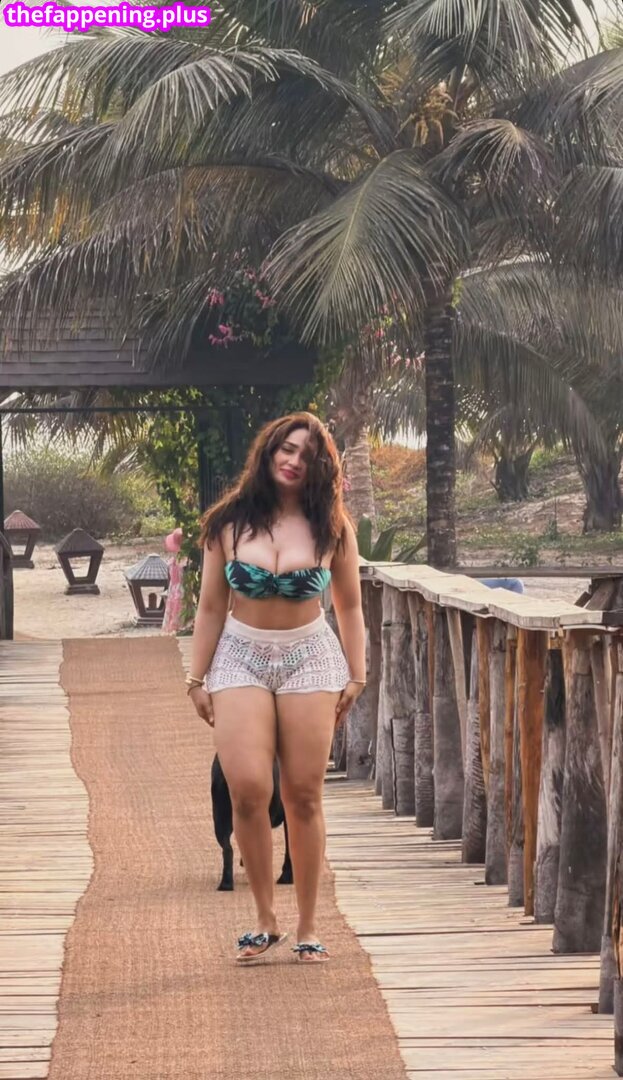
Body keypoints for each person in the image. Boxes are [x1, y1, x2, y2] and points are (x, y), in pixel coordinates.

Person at [186, 413, 366, 964]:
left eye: (306, 456)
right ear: (268, 452)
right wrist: (196, 677)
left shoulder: (333, 527)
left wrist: (356, 674)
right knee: (246, 787)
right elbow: (210, 606)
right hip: (240, 655)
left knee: (304, 794)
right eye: (286, 449)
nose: (293, 461)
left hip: (309, 657)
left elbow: (349, 606)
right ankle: (265, 918)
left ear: (321, 468)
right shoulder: (228, 522)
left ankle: (308, 925)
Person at [162, 527, 187, 634]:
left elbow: (169, 578)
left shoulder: (172, 561)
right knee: (180, 609)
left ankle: (174, 629)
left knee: (174, 608)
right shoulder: (185, 562)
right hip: (182, 588)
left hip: (173, 589)